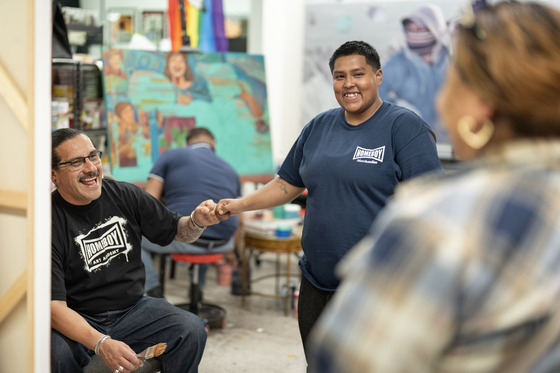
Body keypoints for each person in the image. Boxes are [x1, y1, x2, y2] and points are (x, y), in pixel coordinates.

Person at [308, 2, 560, 372]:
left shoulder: (439, 223)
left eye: (451, 79)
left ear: (480, 105)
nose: (440, 101)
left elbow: (346, 361)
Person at [216, 40, 443, 368]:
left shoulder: (404, 128)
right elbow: (286, 184)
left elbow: (431, 204)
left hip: (374, 288)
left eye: (358, 74)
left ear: (378, 76)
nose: (348, 83)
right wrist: (238, 205)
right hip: (316, 281)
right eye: (339, 76)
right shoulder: (318, 127)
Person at [50, 128, 220, 373]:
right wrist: (101, 343)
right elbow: (54, 308)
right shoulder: (47, 221)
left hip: (133, 309)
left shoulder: (125, 195)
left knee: (191, 329)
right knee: (55, 354)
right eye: (76, 162)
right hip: (80, 315)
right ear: (54, 175)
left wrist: (197, 221)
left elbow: (175, 230)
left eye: (93, 156)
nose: (90, 168)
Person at [141, 127, 242, 298]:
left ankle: (152, 289)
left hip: (188, 238)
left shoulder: (172, 155)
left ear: (187, 143)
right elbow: (241, 220)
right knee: (204, 222)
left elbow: (145, 204)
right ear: (213, 144)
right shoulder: (231, 169)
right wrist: (231, 251)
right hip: (224, 243)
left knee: (131, 237)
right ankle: (198, 289)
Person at [379, 3, 452, 145]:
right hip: (414, 144)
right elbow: (373, 90)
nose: (413, 34)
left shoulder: (453, 60)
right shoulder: (399, 63)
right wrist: (399, 110)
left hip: (453, 144)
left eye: (419, 29)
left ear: (435, 29)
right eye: (409, 29)